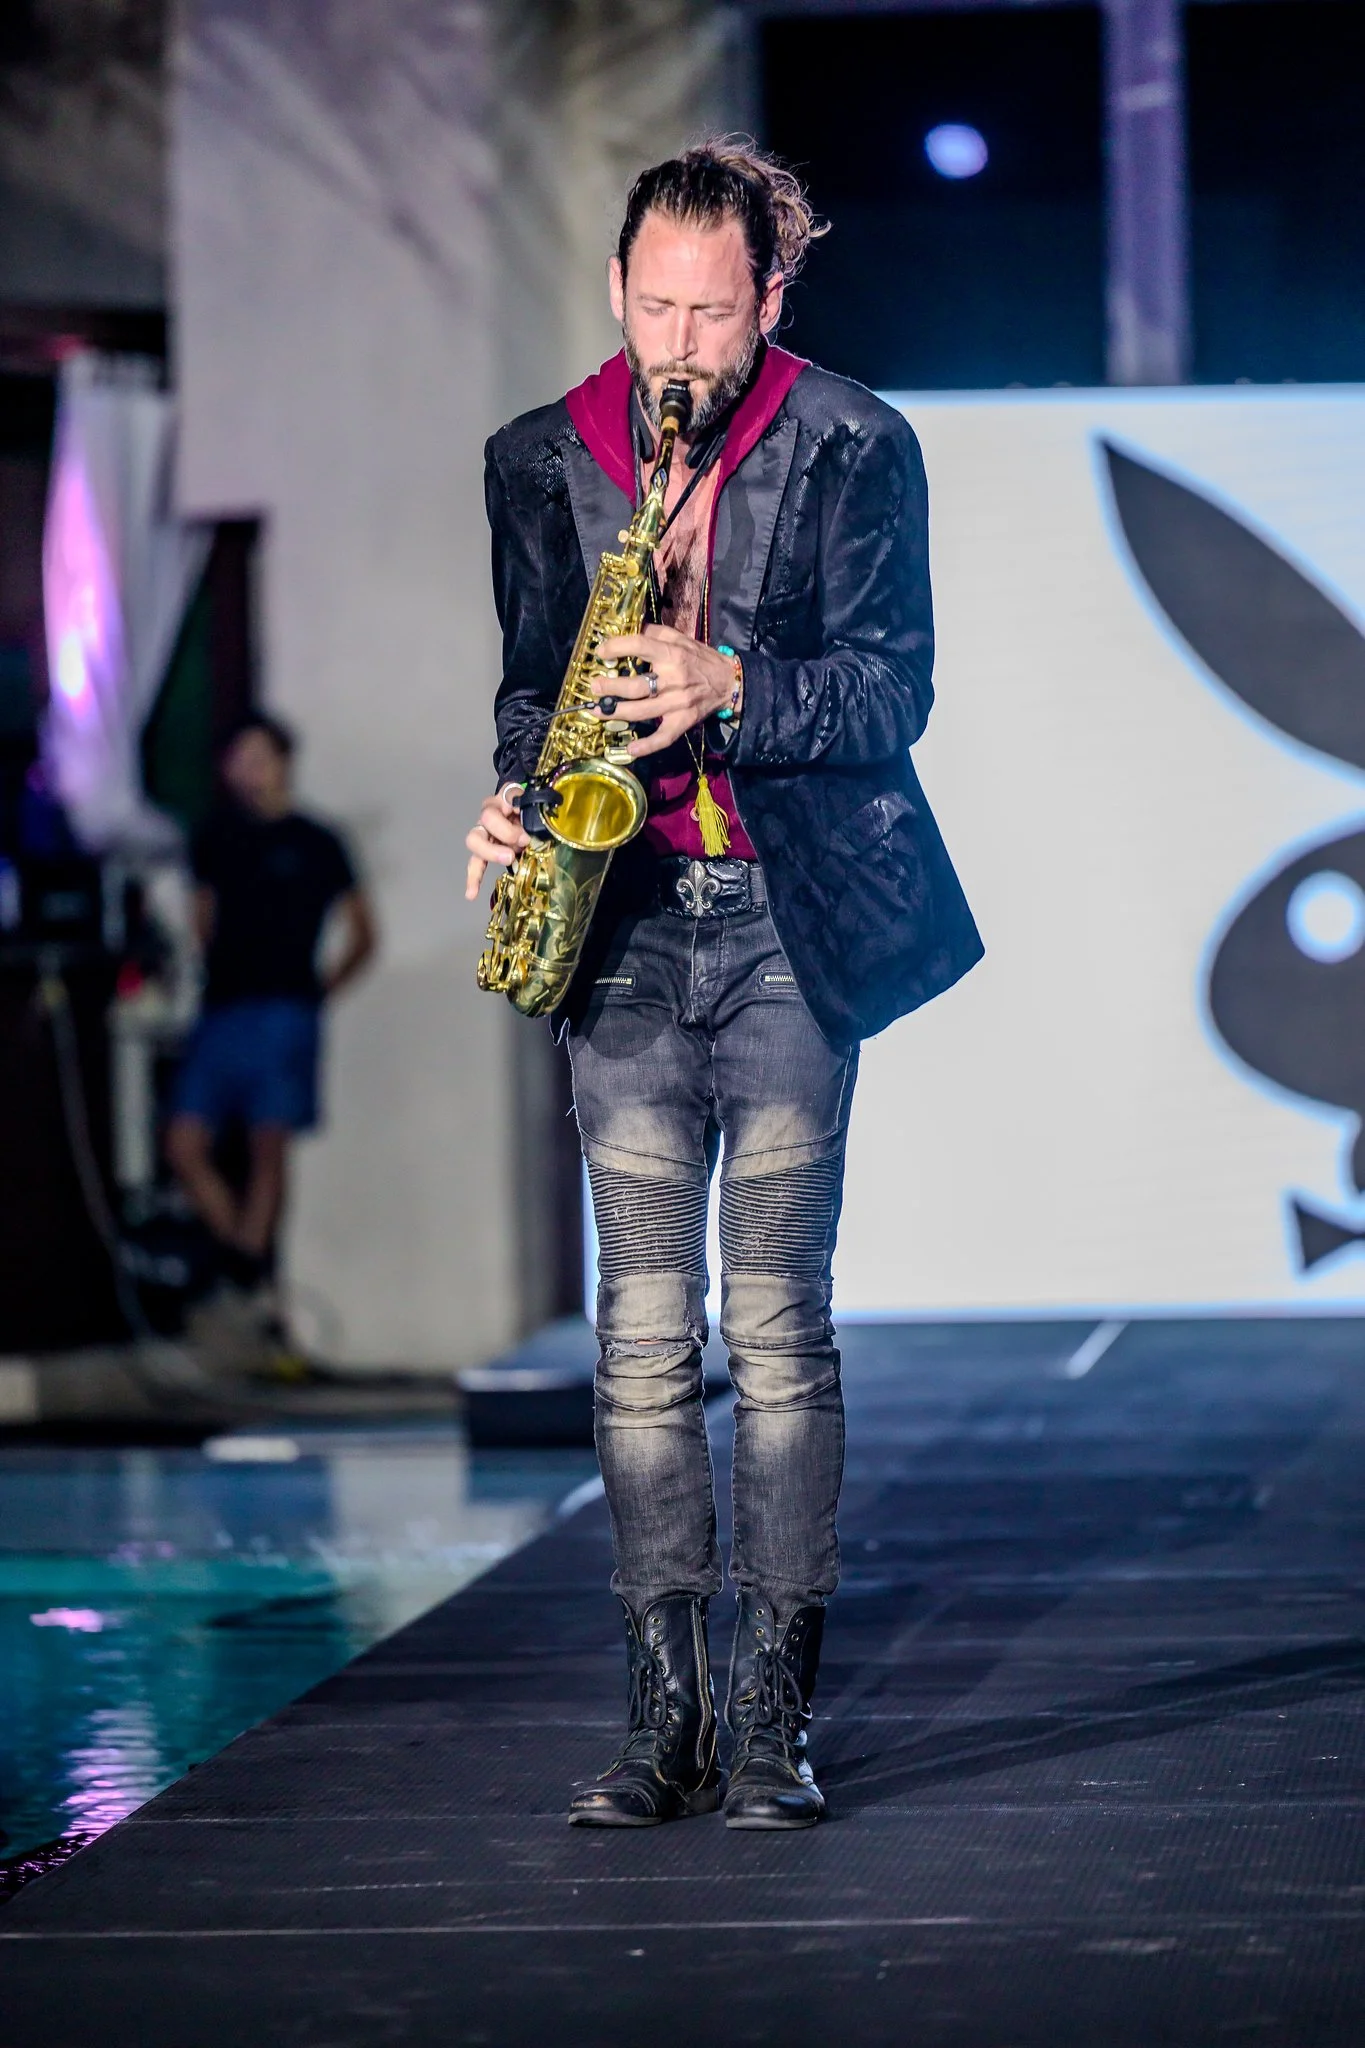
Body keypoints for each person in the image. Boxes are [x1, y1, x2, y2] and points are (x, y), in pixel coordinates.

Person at [465, 141, 981, 1830]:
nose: (683, 344)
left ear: (774, 294)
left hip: (781, 923)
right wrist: (515, 797)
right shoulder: (541, 457)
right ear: (618, 288)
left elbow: (891, 694)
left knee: (770, 1330)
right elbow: (532, 683)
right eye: (656, 304)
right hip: (616, 928)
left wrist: (725, 682)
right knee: (634, 1343)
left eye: (716, 307)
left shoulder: (852, 443)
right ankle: (658, 1726)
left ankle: (772, 1725)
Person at [166, 715, 376, 1313]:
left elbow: (362, 933)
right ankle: (241, 1253)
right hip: (222, 1006)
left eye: (258, 755)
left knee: (268, 1142)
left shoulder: (317, 841)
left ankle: (249, 1265)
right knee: (185, 1139)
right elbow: (202, 919)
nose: (247, 770)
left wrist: (318, 991)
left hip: (285, 1011)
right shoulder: (217, 836)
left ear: (282, 759)